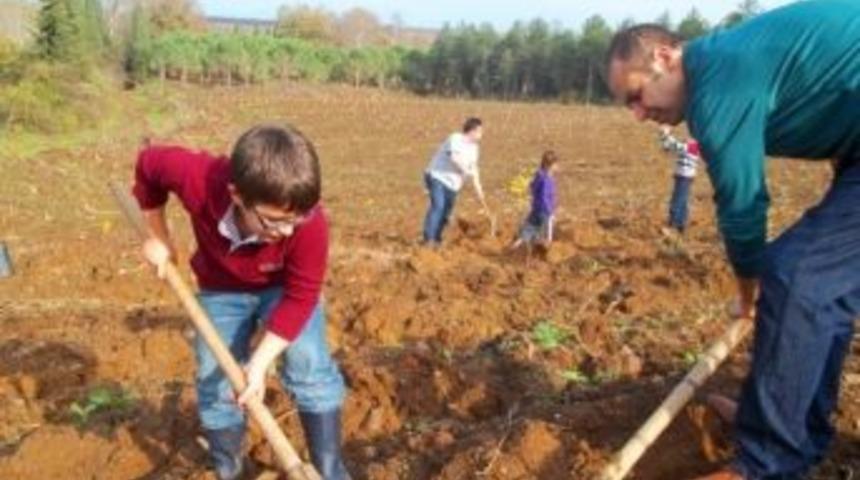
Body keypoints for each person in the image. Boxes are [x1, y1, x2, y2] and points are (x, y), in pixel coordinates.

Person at [605, 1, 860, 478]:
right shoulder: (721, 61)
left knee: (796, 275)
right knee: (824, 292)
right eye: (628, 105)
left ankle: (766, 462)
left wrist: (748, 294)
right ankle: (795, 432)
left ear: (665, 56)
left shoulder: (718, 85)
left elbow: (743, 208)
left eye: (636, 95)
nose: (639, 115)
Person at [133, 124, 350, 480]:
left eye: (296, 220)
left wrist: (259, 364)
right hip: (221, 288)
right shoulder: (198, 178)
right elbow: (147, 166)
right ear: (237, 195)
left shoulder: (310, 225)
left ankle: (328, 469)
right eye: (275, 221)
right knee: (216, 380)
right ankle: (229, 469)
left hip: (284, 287)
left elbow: (301, 298)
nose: (287, 232)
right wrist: (159, 238)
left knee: (310, 365)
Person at [422, 117, 493, 246]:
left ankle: (437, 238)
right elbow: (454, 157)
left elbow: (474, 171)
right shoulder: (455, 138)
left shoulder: (474, 149)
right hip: (437, 176)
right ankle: (429, 239)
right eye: (480, 131)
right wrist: (466, 170)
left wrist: (479, 192)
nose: (482, 134)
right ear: (472, 131)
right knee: (438, 206)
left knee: (446, 212)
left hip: (453, 185)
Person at [510, 150, 559, 250]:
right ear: (551, 165)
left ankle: (517, 244)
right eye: (556, 164)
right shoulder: (547, 180)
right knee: (545, 231)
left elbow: (532, 187)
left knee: (529, 226)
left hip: (535, 208)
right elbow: (545, 196)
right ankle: (545, 248)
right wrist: (550, 211)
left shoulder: (539, 175)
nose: (558, 167)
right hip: (544, 210)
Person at [659, 126, 701, 234]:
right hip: (684, 176)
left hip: (684, 177)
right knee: (682, 200)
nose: (685, 137)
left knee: (677, 200)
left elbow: (673, 145)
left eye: (689, 136)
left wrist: (666, 133)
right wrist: (664, 137)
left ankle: (672, 225)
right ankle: (681, 225)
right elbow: (667, 147)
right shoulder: (691, 146)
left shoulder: (692, 146)